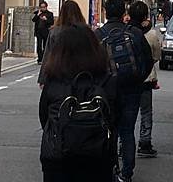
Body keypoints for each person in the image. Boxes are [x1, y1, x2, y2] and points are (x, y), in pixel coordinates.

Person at [39, 24, 118, 182]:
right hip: (98, 155)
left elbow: (44, 116)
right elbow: (115, 117)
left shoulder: (54, 81)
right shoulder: (107, 81)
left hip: (58, 156)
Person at [97, 0, 153, 182]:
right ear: (124, 14)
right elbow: (148, 59)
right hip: (132, 89)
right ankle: (126, 174)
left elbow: (92, 65)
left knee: (108, 130)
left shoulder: (98, 34)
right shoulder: (135, 33)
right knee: (127, 131)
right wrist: (138, 79)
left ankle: (110, 169)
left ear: (106, 12)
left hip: (107, 91)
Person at [38, 0, 86, 85]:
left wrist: (43, 79)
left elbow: (48, 55)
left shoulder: (55, 32)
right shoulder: (86, 32)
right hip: (81, 75)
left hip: (58, 74)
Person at [138, 17, 160, 158]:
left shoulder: (128, 31)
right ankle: (145, 142)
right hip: (146, 78)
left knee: (127, 112)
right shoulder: (151, 34)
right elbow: (157, 56)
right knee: (146, 111)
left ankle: (122, 145)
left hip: (127, 78)